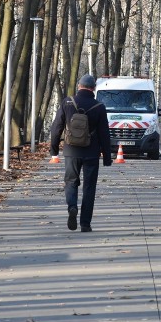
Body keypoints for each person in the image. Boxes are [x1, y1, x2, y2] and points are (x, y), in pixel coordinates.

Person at [50, 74, 113, 232]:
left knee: (71, 182)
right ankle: (85, 224)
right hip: (91, 152)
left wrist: (54, 150)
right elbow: (104, 133)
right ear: (93, 88)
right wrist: (107, 156)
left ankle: (72, 207)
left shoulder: (68, 102)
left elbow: (56, 127)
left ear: (79, 86)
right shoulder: (99, 106)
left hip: (71, 151)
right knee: (89, 187)